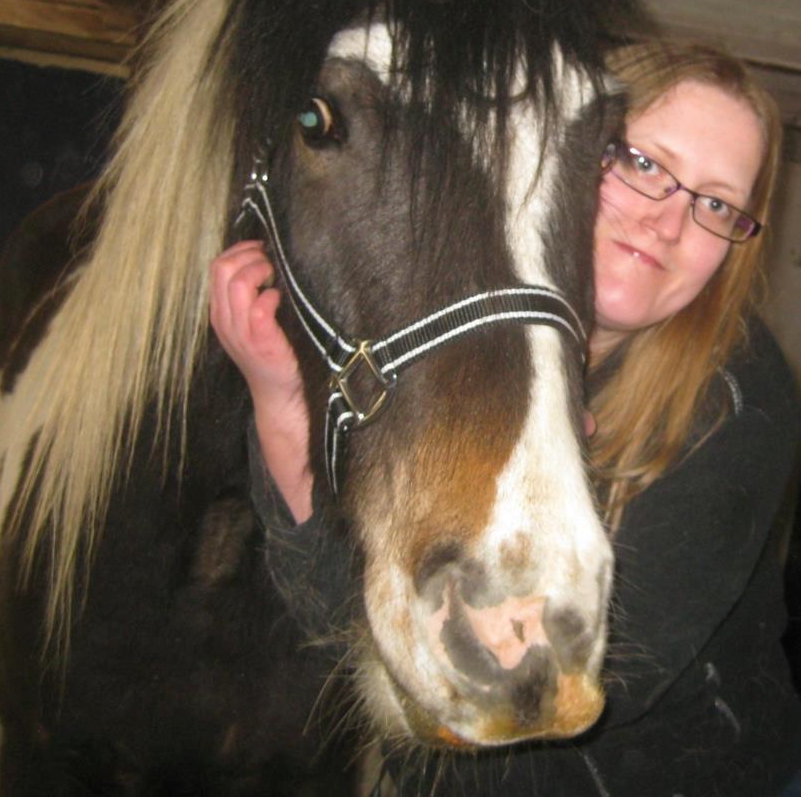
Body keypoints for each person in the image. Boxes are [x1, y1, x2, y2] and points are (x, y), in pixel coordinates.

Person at [209, 40, 801, 796]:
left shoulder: (739, 401)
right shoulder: (450, 340)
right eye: (643, 166)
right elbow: (348, 618)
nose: (666, 222)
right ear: (562, 148)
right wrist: (282, 397)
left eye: (715, 203)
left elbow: (533, 706)